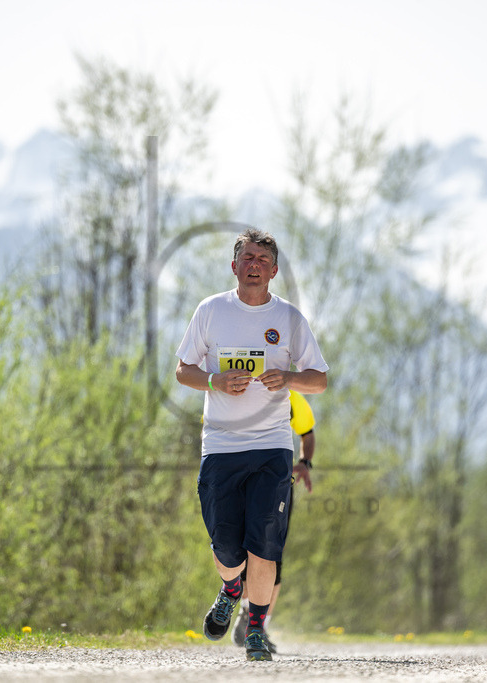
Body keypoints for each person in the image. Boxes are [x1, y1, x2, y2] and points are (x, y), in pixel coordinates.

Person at [175, 227, 328, 662]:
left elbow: (318, 380)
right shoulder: (211, 311)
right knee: (226, 547)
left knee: (264, 544)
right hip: (221, 446)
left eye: (263, 259)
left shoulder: (290, 319)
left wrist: (290, 378)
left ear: (274, 270)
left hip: (272, 446)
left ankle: (256, 628)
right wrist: (215, 381)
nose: (255, 265)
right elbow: (183, 370)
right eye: (248, 258)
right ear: (234, 266)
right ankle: (230, 588)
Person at [230, 389, 316, 653]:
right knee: (237, 547)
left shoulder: (290, 395)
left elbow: (307, 432)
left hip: (277, 480)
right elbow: (209, 426)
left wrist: (304, 463)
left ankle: (258, 624)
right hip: (238, 477)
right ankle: (244, 609)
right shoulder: (235, 387)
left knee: (271, 552)